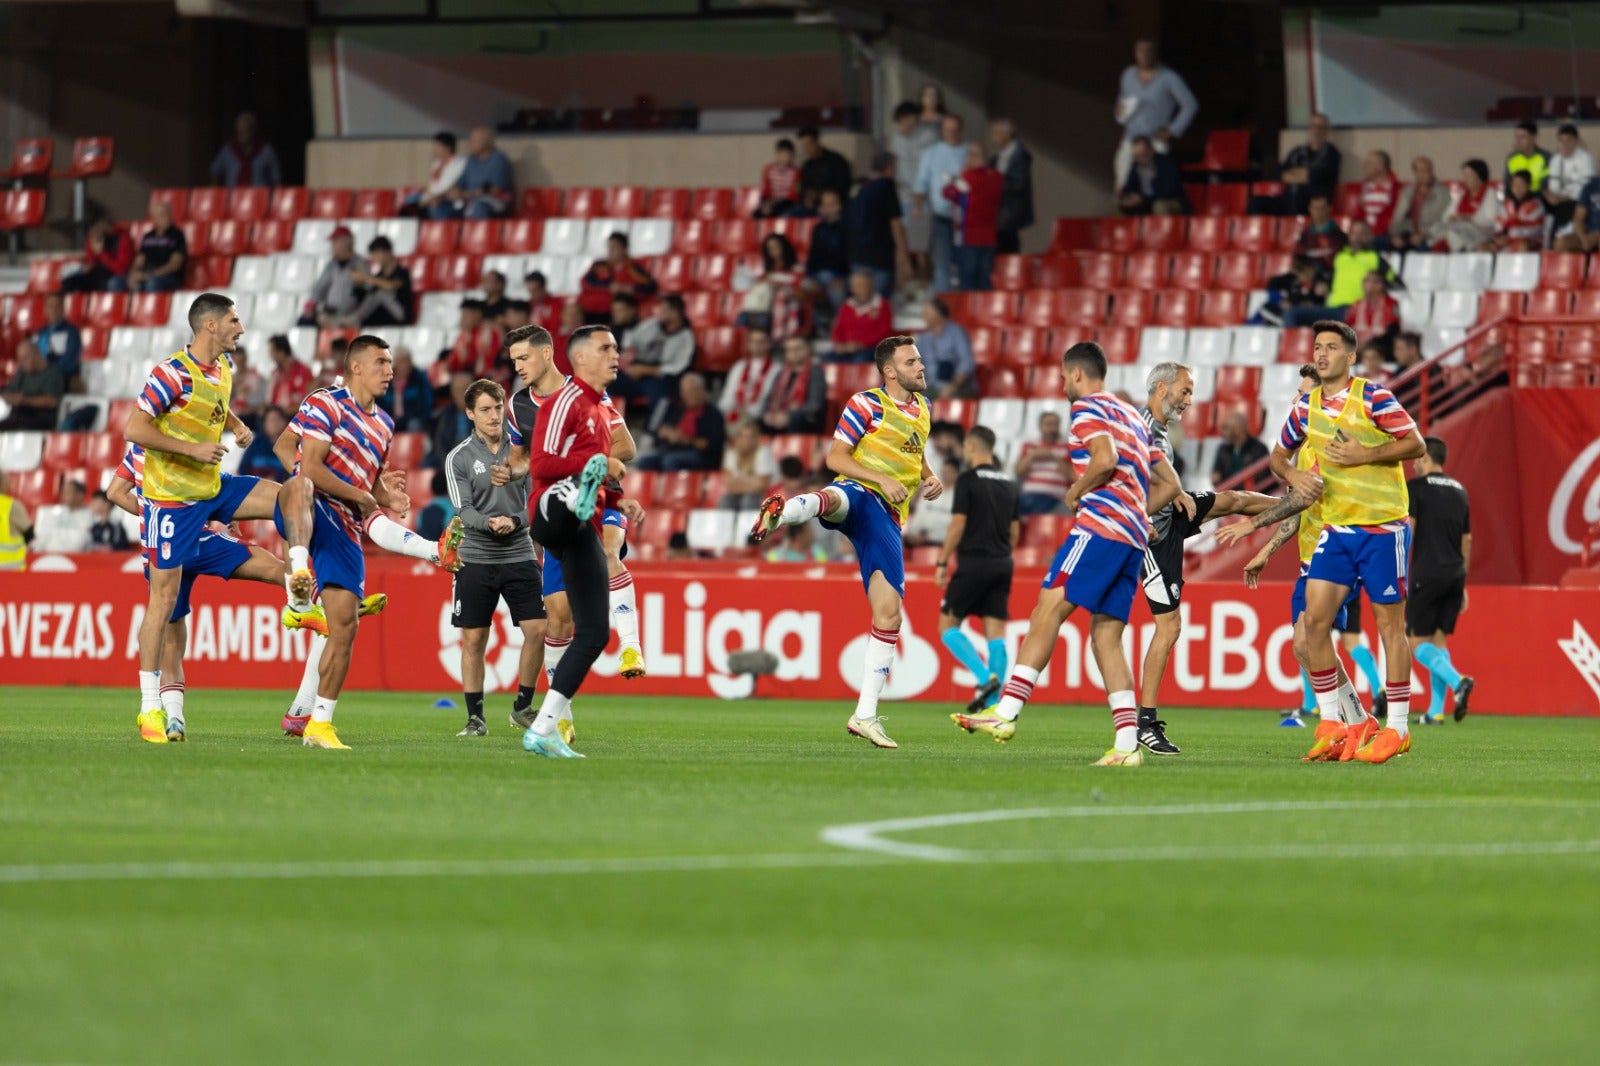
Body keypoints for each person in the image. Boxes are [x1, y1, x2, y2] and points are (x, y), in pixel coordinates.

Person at [950, 342, 1183, 765]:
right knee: (1106, 637)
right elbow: (1169, 485)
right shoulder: (1133, 415)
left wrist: (1076, 491)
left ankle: (1005, 712)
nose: (1062, 385)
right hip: (1131, 538)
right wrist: (1135, 512)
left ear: (1076, 374)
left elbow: (1104, 458)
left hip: (1098, 530)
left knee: (1047, 609)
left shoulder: (1088, 408)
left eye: (1062, 377)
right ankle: (1128, 746)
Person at [1245, 320, 1426, 764]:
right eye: (1317, 347)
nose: (1322, 353)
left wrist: (1366, 455)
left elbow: (1415, 444)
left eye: (1331, 347)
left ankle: (1398, 729)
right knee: (1312, 627)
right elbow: (1277, 455)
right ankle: (1334, 723)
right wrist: (1293, 476)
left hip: (1383, 527)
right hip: (1338, 530)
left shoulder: (1374, 397)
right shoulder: (1306, 409)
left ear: (1350, 357)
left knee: (1390, 628)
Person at [750, 335, 944, 750]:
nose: (921, 367)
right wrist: (881, 478)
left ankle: (865, 715)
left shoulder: (924, 407)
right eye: (912, 362)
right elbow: (835, 459)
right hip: (864, 492)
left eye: (920, 360)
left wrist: (929, 476)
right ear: (890, 371)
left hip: (887, 517)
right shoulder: (866, 403)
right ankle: (782, 513)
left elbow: (915, 451)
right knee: (840, 495)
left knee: (889, 615)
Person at [274, 335, 465, 749]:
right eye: (380, 362)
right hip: (310, 506)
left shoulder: (385, 424)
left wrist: (381, 492)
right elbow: (304, 461)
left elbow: (363, 482)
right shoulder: (325, 402)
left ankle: (317, 723)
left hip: (343, 520)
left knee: (344, 625)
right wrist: (352, 493)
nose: (389, 370)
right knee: (302, 483)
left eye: (391, 363)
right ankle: (300, 583)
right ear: (355, 367)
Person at [122, 293, 262, 742]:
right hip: (170, 502)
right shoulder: (170, 372)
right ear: (209, 327)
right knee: (164, 605)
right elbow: (134, 429)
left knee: (287, 497)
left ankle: (302, 596)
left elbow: (210, 405)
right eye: (234, 320)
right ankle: (149, 709)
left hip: (210, 490)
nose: (240, 328)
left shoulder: (223, 369)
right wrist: (192, 449)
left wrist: (234, 425)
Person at [500, 324, 646, 746]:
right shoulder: (536, 405)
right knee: (557, 615)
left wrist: (609, 482)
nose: (519, 367)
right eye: (515, 361)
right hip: (556, 506)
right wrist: (509, 472)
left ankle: (548, 725)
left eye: (523, 358)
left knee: (591, 627)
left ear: (548, 354)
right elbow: (533, 464)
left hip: (598, 504)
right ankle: (557, 718)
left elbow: (626, 449)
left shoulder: (596, 402)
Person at [1134, 363, 1282, 755]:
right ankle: (1144, 723)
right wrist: (1145, 512)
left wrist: (1174, 492)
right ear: (1161, 387)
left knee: (1231, 499)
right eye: (1184, 391)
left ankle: (1293, 505)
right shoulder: (1142, 427)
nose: (1189, 399)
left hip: (1171, 515)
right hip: (1151, 538)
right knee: (1168, 628)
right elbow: (1125, 481)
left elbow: (1159, 477)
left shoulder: (1160, 430)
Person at [1226, 363, 1371, 733]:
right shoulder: (1305, 451)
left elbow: (1296, 504)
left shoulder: (1333, 446)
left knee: (1311, 635)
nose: (1296, 399)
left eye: (1304, 393)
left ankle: (1335, 725)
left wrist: (1254, 524)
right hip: (1309, 560)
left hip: (1337, 554)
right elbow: (1298, 512)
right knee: (1302, 646)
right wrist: (1267, 552)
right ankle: (1357, 720)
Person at [444, 378, 545, 737]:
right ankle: (476, 718)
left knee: (538, 631)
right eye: (485, 409)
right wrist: (490, 523)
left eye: (499, 408)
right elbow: (463, 510)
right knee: (474, 640)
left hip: (519, 553)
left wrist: (514, 521)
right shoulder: (459, 458)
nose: (494, 415)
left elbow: (537, 502)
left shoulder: (522, 453)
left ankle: (522, 706)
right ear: (470, 413)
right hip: (475, 557)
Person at [935, 425, 1018, 710]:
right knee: (995, 632)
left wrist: (943, 561)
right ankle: (993, 705)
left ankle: (984, 679)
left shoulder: (968, 479)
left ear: (971, 446)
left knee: (947, 626)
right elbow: (1015, 532)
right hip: (1003, 563)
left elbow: (958, 524)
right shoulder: (1009, 481)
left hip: (974, 562)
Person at [1406, 436, 1475, 725]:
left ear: (1424, 458)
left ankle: (1458, 681)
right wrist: (1463, 582)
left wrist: (1398, 571)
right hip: (1455, 573)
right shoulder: (1460, 490)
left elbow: (1409, 531)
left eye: (1415, 459)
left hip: (1427, 572)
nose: (1412, 464)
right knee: (1437, 640)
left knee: (1415, 644)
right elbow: (1467, 540)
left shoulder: (1416, 488)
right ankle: (1435, 711)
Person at [1113, 38, 1198, 191]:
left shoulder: (1169, 78)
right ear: (1135, 53)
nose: (1144, 55)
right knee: (1124, 186)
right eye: (1140, 51)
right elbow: (1122, 100)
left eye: (1148, 50)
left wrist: (1173, 129)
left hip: (1155, 140)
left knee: (1153, 189)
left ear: (1155, 53)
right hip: (1131, 139)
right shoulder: (1127, 75)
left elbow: (1190, 104)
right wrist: (1119, 111)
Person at [913, 115, 969, 294]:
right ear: (943, 132)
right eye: (948, 130)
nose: (952, 133)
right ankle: (943, 303)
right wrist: (918, 206)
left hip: (967, 217)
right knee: (942, 262)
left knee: (965, 262)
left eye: (955, 130)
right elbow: (921, 182)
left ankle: (963, 303)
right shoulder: (931, 153)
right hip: (941, 215)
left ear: (960, 130)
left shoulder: (969, 151)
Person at [618, 293, 695, 416]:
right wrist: (629, 349)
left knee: (661, 394)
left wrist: (646, 370)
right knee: (607, 381)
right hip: (637, 371)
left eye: (663, 309)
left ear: (675, 313)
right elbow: (631, 336)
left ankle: (652, 431)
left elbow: (678, 368)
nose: (659, 312)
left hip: (662, 379)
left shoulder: (686, 338)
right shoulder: (652, 324)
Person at [848, 150, 909, 300]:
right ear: (889, 167)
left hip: (856, 254)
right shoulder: (886, 186)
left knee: (860, 303)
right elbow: (895, 224)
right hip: (880, 257)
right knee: (877, 305)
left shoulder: (857, 185)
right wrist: (904, 256)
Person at [943, 141, 1003, 290]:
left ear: (974, 157)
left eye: (969, 155)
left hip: (968, 236)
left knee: (967, 283)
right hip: (989, 237)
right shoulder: (997, 177)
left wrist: (960, 174)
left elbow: (947, 192)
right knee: (984, 281)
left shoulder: (967, 177)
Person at [637, 373, 725, 473]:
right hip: (670, 450)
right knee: (644, 462)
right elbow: (658, 430)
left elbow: (714, 445)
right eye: (684, 391)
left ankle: (673, 488)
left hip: (699, 455)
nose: (685, 395)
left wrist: (686, 440)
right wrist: (664, 432)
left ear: (701, 390)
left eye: (690, 391)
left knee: (670, 461)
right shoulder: (677, 409)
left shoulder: (713, 415)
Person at [738, 233, 815, 342]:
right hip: (768, 312)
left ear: (784, 247)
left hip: (793, 310)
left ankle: (777, 338)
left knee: (779, 297)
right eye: (770, 248)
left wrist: (783, 286)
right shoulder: (767, 275)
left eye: (776, 246)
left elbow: (805, 296)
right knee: (745, 314)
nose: (774, 251)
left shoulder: (798, 270)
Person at [430, 126, 514, 220]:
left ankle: (479, 234)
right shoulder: (471, 160)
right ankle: (445, 234)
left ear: (487, 142)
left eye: (474, 141)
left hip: (495, 202)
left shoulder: (498, 159)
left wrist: (466, 194)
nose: (470, 143)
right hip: (469, 200)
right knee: (439, 207)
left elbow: (495, 190)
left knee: (478, 206)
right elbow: (460, 183)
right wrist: (449, 193)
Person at [890, 101, 937, 270]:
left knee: (920, 246)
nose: (903, 125)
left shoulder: (929, 137)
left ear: (915, 118)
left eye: (906, 120)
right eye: (899, 122)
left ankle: (925, 283)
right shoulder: (896, 139)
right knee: (901, 244)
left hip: (922, 199)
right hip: (901, 196)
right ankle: (905, 284)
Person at [578, 231, 658, 317]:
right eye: (609, 247)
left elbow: (650, 286)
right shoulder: (599, 265)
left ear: (624, 248)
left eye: (614, 247)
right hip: (588, 311)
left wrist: (630, 289)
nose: (610, 250)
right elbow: (585, 282)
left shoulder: (633, 268)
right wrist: (608, 285)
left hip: (613, 315)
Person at [758, 336, 828, 434]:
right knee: (757, 423)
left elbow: (814, 405)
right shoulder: (782, 373)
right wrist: (767, 414)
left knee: (793, 425)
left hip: (802, 420)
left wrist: (789, 416)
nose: (793, 353)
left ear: (808, 349)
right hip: (778, 417)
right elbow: (769, 398)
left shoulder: (815, 372)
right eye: (789, 350)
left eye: (798, 348)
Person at [1277, 112, 1341, 216]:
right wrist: (1304, 175)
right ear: (1309, 128)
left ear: (1326, 130)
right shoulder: (1296, 152)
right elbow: (1281, 174)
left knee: (1297, 195)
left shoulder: (1332, 154)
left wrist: (1294, 173)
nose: (1317, 131)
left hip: (1313, 201)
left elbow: (1316, 176)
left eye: (1321, 127)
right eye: (1314, 126)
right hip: (1288, 197)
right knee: (1257, 202)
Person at [1382, 156, 1451, 252]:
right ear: (1415, 173)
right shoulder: (1407, 191)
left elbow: (1443, 222)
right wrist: (1394, 236)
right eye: (1422, 170)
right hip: (1407, 233)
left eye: (1428, 169)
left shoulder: (1442, 193)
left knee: (1420, 248)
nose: (1426, 173)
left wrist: (1423, 235)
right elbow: (1397, 217)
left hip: (1429, 236)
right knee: (1379, 243)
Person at [1427, 159, 1498, 252]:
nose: (1466, 179)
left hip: (1481, 232)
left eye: (1469, 176)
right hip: (1461, 231)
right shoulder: (1461, 195)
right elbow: (1445, 216)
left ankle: (1462, 253)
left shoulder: (1490, 193)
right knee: (1437, 227)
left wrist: (1470, 218)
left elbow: (1491, 219)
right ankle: (1461, 251)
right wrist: (1452, 217)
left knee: (1453, 233)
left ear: (1480, 177)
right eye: (1464, 176)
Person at [1013, 410, 1072, 515]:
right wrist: (1031, 456)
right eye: (1049, 425)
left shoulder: (1068, 447)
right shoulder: (1030, 445)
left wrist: (1054, 457)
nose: (1053, 428)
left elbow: (1073, 476)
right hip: (1028, 493)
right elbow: (1018, 471)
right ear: (1040, 426)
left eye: (1056, 424)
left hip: (1054, 496)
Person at [989, 119, 1034, 254]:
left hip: (1009, 212)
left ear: (1007, 135)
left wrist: (997, 184)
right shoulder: (997, 157)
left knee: (1008, 246)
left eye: (997, 133)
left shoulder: (1019, 156)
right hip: (998, 211)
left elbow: (1018, 183)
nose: (994, 137)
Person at [916, 297, 976, 399]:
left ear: (938, 313)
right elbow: (916, 364)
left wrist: (953, 386)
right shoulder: (923, 338)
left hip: (958, 386)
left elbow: (966, 362)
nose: (924, 316)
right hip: (931, 386)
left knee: (950, 396)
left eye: (927, 312)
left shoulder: (957, 332)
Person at [1545, 124, 1597, 239]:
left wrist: (1562, 198)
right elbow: (1553, 186)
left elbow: (1587, 189)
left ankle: (1561, 235)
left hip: (1580, 202)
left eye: (1568, 141)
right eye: (1561, 141)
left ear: (1576, 141)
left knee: (1567, 207)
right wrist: (1550, 196)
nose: (1565, 145)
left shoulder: (1586, 159)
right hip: (1560, 201)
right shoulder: (1555, 160)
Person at [1117, 135, 1190, 216]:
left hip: (1170, 200)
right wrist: (1124, 195)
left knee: (1159, 206)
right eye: (1136, 157)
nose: (1139, 160)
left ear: (1151, 150)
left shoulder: (1166, 163)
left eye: (1142, 155)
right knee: (1125, 205)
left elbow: (1167, 191)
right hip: (1146, 201)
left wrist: (1142, 199)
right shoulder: (1136, 165)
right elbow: (1130, 185)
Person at [303, 226, 361, 327]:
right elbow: (320, 287)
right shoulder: (331, 265)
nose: (332, 246)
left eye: (335, 242)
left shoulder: (360, 264)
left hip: (350, 315)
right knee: (304, 322)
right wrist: (311, 304)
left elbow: (366, 291)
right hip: (330, 313)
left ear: (346, 244)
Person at [350, 236, 414, 327]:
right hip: (381, 319)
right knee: (372, 294)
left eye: (376, 253)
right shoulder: (378, 276)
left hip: (399, 316)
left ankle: (355, 319)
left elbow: (391, 285)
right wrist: (359, 284)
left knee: (380, 293)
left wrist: (365, 277)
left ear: (387, 252)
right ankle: (355, 320)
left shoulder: (402, 272)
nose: (374, 257)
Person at [0, 340, 64, 431]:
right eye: (20, 359)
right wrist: (6, 396)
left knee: (20, 427)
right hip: (18, 417)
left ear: (37, 355)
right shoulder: (22, 372)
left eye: (25, 358)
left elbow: (52, 402)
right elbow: (11, 390)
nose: (22, 362)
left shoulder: (52, 373)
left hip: (41, 419)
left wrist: (24, 400)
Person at [718, 327, 779, 424]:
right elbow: (728, 396)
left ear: (769, 344)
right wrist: (726, 412)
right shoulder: (738, 366)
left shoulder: (777, 369)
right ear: (748, 344)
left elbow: (766, 398)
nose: (757, 345)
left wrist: (748, 413)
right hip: (734, 414)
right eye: (753, 341)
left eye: (761, 341)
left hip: (758, 416)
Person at [830, 271, 893, 363]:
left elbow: (884, 332)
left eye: (865, 285)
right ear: (852, 288)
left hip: (872, 349)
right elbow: (838, 329)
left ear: (871, 286)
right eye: (858, 285)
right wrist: (840, 345)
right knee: (826, 359)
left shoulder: (883, 305)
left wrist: (861, 345)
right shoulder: (846, 306)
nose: (863, 288)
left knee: (860, 360)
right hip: (848, 349)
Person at [127, 200, 188, 294]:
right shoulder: (148, 236)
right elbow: (139, 261)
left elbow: (175, 264)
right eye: (162, 214)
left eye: (167, 213)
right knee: (117, 283)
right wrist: (133, 274)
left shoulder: (177, 235)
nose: (166, 217)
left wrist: (149, 275)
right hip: (147, 274)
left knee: (152, 283)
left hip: (168, 277)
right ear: (154, 218)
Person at [401, 131, 466, 217]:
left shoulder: (460, 164)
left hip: (447, 200)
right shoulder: (436, 164)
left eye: (437, 146)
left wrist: (434, 197)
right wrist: (426, 194)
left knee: (434, 209)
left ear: (447, 148)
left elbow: (453, 186)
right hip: (431, 198)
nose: (434, 149)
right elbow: (433, 185)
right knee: (409, 202)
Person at [61, 218, 134, 294]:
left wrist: (102, 254)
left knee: (112, 283)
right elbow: (91, 262)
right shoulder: (94, 239)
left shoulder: (123, 239)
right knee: (69, 282)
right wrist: (87, 265)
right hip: (98, 274)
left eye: (99, 227)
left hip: (115, 275)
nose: (96, 231)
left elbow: (121, 270)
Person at [209, 111, 281, 188]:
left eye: (245, 130)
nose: (241, 134)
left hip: (259, 196)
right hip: (233, 196)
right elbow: (215, 170)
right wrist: (216, 191)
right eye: (239, 131)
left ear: (253, 130)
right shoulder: (228, 150)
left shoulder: (266, 151)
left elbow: (276, 179)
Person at [805, 189, 850, 309]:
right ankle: (812, 324)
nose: (829, 208)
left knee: (837, 289)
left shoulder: (847, 228)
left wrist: (839, 275)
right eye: (825, 204)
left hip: (841, 275)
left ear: (839, 206)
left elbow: (850, 257)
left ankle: (841, 323)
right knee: (802, 285)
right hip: (819, 275)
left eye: (833, 204)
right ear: (821, 208)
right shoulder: (818, 229)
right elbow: (813, 256)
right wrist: (811, 276)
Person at [719, 419, 776, 511]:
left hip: (764, 494)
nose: (746, 441)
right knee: (726, 500)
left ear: (756, 439)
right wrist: (749, 485)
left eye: (750, 437)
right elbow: (728, 483)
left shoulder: (763, 452)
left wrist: (739, 484)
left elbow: (762, 484)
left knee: (748, 500)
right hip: (738, 494)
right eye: (742, 437)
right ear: (737, 438)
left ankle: (749, 525)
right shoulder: (731, 453)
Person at [795, 126, 853, 214]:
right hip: (811, 207)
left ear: (817, 142)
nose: (806, 149)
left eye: (808, 144)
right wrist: (807, 197)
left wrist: (822, 194)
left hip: (834, 207)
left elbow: (844, 186)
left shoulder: (836, 161)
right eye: (804, 145)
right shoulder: (807, 166)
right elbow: (803, 187)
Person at [1484, 170, 1545, 252]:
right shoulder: (1507, 203)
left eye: (1521, 185)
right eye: (1514, 185)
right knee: (1484, 248)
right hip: (1508, 239)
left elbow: (1532, 230)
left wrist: (1509, 236)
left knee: (1522, 245)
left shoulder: (1536, 205)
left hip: (1531, 241)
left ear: (1529, 186)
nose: (1517, 188)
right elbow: (1499, 223)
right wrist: (1500, 236)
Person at [1209, 410, 1270, 489]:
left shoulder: (1259, 449)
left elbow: (1262, 479)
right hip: (1229, 496)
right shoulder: (1223, 449)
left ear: (1238, 429)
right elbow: (1216, 476)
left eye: (1225, 428)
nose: (1221, 431)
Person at [906, 458, 959, 547]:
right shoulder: (930, 490)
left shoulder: (958, 496)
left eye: (949, 472)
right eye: (944, 471)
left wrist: (929, 537)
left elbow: (955, 526)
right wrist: (913, 533)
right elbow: (919, 515)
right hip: (917, 538)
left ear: (956, 474)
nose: (945, 475)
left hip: (940, 542)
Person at [444, 299, 500, 382]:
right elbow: (454, 361)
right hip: (467, 377)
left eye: (465, 316)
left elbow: (490, 362)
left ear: (478, 314)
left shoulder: (492, 332)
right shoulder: (464, 335)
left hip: (488, 378)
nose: (461, 320)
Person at [34, 293, 82, 385]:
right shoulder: (41, 333)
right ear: (46, 309)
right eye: (50, 306)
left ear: (63, 309)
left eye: (57, 306)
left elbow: (69, 362)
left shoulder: (72, 333)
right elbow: (38, 356)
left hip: (63, 378)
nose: (54, 310)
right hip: (43, 377)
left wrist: (49, 373)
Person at [33, 478, 93, 552]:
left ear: (80, 495)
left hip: (76, 558)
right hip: (49, 556)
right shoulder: (55, 514)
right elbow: (44, 537)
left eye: (68, 492)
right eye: (63, 492)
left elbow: (83, 542)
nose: (63, 495)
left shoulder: (91, 516)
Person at [1344, 271, 1400, 346]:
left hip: (1381, 346)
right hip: (1357, 346)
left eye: (1367, 280)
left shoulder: (1391, 303)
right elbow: (1347, 327)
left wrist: (1371, 342)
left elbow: (1393, 330)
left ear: (1379, 285)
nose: (1363, 284)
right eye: (1364, 281)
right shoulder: (1356, 304)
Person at [384, 347, 433, 433]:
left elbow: (426, 403)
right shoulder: (386, 379)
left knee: (414, 425)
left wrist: (407, 418)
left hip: (412, 419)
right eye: (400, 361)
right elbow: (380, 403)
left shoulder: (420, 378)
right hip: (392, 419)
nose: (404, 365)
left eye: (406, 361)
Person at [238, 406, 292, 482]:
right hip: (253, 487)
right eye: (271, 420)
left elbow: (292, 471)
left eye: (278, 419)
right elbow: (242, 469)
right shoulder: (256, 443)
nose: (275, 423)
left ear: (286, 422)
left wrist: (275, 480)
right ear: (264, 424)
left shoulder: (292, 446)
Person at [1294, 193, 1347, 270]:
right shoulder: (1305, 236)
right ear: (1310, 209)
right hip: (1308, 276)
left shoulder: (1339, 236)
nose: (1318, 212)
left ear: (1329, 209)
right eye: (1315, 208)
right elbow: (1298, 260)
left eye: (1321, 208)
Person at [431, 373, 474, 462]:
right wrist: (447, 462)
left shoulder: (482, 411)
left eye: (465, 389)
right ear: (453, 393)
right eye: (458, 390)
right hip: (451, 453)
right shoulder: (446, 414)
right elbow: (440, 442)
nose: (462, 394)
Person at [755, 138, 802, 218]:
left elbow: (796, 193)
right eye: (783, 154)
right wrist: (766, 204)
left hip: (787, 204)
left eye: (788, 154)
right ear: (777, 154)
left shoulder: (797, 172)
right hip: (770, 202)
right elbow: (764, 190)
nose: (785, 157)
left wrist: (778, 202)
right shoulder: (768, 170)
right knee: (756, 214)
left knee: (787, 213)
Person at [1557, 169, 1600, 253]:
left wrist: (1598, 234)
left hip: (1596, 235)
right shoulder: (1590, 187)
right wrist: (1583, 237)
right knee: (1561, 243)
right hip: (1589, 234)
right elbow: (1578, 218)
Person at [267, 334, 312, 412]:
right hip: (276, 415)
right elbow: (271, 401)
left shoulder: (303, 371)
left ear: (281, 353)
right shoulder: (275, 373)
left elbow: (306, 400)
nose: (270, 356)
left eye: (272, 351)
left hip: (294, 416)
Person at [1358, 150, 1399, 236]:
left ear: (1380, 167)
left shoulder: (1396, 189)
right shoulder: (1364, 187)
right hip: (1364, 234)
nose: (1364, 166)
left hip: (1385, 234)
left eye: (1369, 163)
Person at [1504, 120, 1550, 192]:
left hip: (1538, 198)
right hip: (1517, 199)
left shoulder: (1546, 158)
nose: (1518, 141)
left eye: (1522, 137)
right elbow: (1507, 185)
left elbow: (1546, 187)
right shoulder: (1512, 158)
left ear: (1534, 138)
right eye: (1516, 137)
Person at [0, 470, 33, 570]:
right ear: (3, 484)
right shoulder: (11, 506)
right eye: (8, 481)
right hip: (10, 573)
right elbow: (31, 537)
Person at [416, 471, 455, 541]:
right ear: (449, 489)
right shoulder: (452, 512)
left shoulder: (422, 512)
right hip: (441, 551)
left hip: (423, 551)